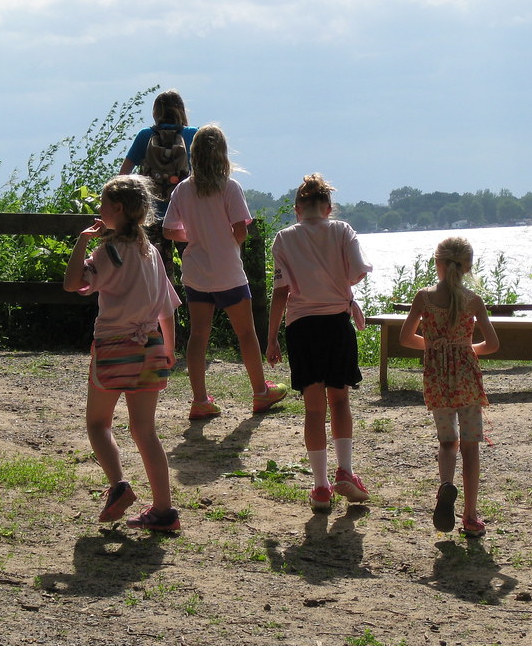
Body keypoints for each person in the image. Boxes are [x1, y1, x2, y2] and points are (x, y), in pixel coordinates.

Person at [63, 175, 182, 532]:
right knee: (145, 430)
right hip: (150, 347)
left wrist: (83, 241)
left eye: (102, 203)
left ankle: (119, 485)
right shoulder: (152, 254)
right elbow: (167, 308)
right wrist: (170, 348)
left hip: (115, 348)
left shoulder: (107, 253)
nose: (99, 209)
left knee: (98, 423)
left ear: (115, 209)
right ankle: (164, 510)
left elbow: (73, 284)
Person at [162, 124, 288, 419]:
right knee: (245, 332)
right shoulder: (229, 187)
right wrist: (227, 244)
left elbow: (169, 230)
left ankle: (200, 400)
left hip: (196, 273)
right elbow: (240, 230)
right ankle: (260, 392)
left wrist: (193, 237)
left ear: (193, 154)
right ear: (223, 155)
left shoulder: (183, 189)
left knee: (198, 336)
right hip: (228, 271)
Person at [265, 173, 374, 512]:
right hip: (336, 326)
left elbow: (281, 292)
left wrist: (271, 338)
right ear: (328, 208)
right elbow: (356, 271)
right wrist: (348, 296)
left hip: (301, 328)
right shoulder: (342, 231)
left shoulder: (283, 239)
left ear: (298, 209)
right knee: (339, 402)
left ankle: (321, 487)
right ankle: (346, 470)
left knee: (314, 409)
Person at [399, 236, 499, 537]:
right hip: (467, 379)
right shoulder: (474, 301)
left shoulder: (424, 298)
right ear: (468, 267)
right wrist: (466, 349)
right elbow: (492, 344)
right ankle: (470, 517)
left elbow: (405, 338)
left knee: (447, 442)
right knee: (470, 446)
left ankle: (445, 486)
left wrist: (433, 346)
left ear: (437, 262)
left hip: (437, 378)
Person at [119, 89, 199, 279]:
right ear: (181, 110)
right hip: (185, 214)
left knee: (158, 274)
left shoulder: (144, 136)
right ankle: (196, 306)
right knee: (196, 269)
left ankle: (165, 309)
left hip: (151, 214)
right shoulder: (193, 135)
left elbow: (123, 176)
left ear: (156, 112)